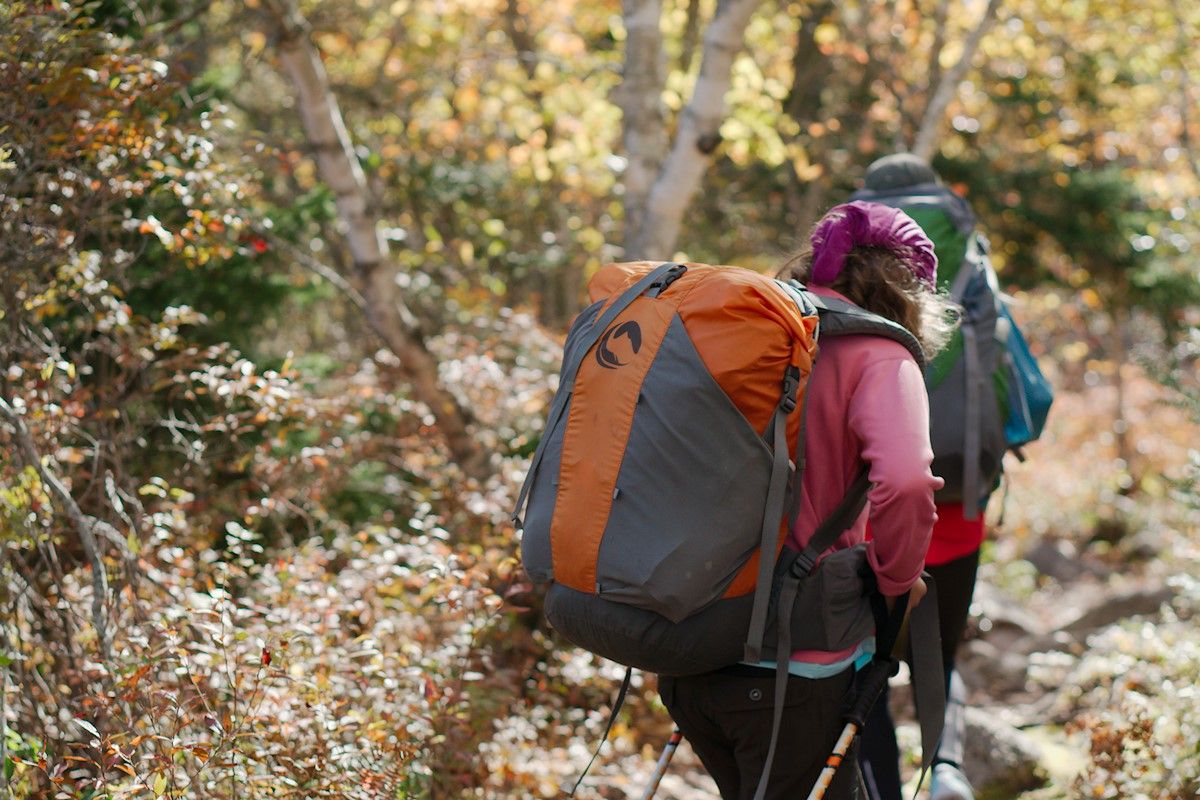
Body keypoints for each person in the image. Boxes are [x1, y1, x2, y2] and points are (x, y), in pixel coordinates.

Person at [656, 200, 958, 800]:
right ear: (913, 292)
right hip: (793, 667)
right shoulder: (880, 355)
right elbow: (904, 481)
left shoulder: (747, 337)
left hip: (688, 644)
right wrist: (894, 582)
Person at [850, 154, 1003, 800]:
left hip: (862, 509)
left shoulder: (847, 249)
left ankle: (885, 792)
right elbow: (1010, 377)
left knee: (865, 671)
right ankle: (945, 770)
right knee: (940, 656)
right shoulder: (970, 252)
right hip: (959, 496)